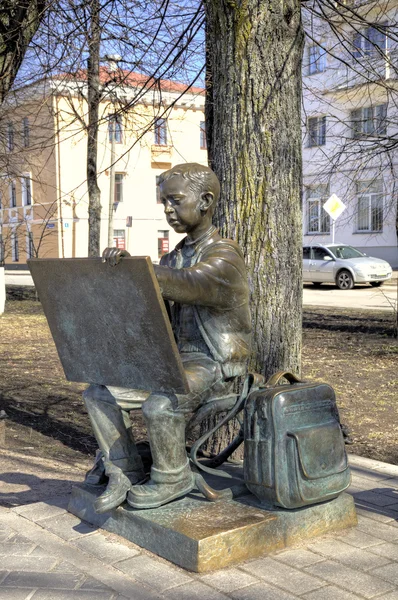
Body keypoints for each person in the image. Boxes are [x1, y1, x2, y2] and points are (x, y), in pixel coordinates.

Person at [84, 163, 251, 512]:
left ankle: (172, 477)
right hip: (174, 359)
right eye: (164, 202)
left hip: (217, 366)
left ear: (205, 201)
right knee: (99, 393)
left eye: (175, 200)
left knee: (160, 404)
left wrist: (140, 271)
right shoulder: (171, 257)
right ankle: (124, 469)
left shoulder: (225, 256)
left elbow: (192, 283)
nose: (168, 209)